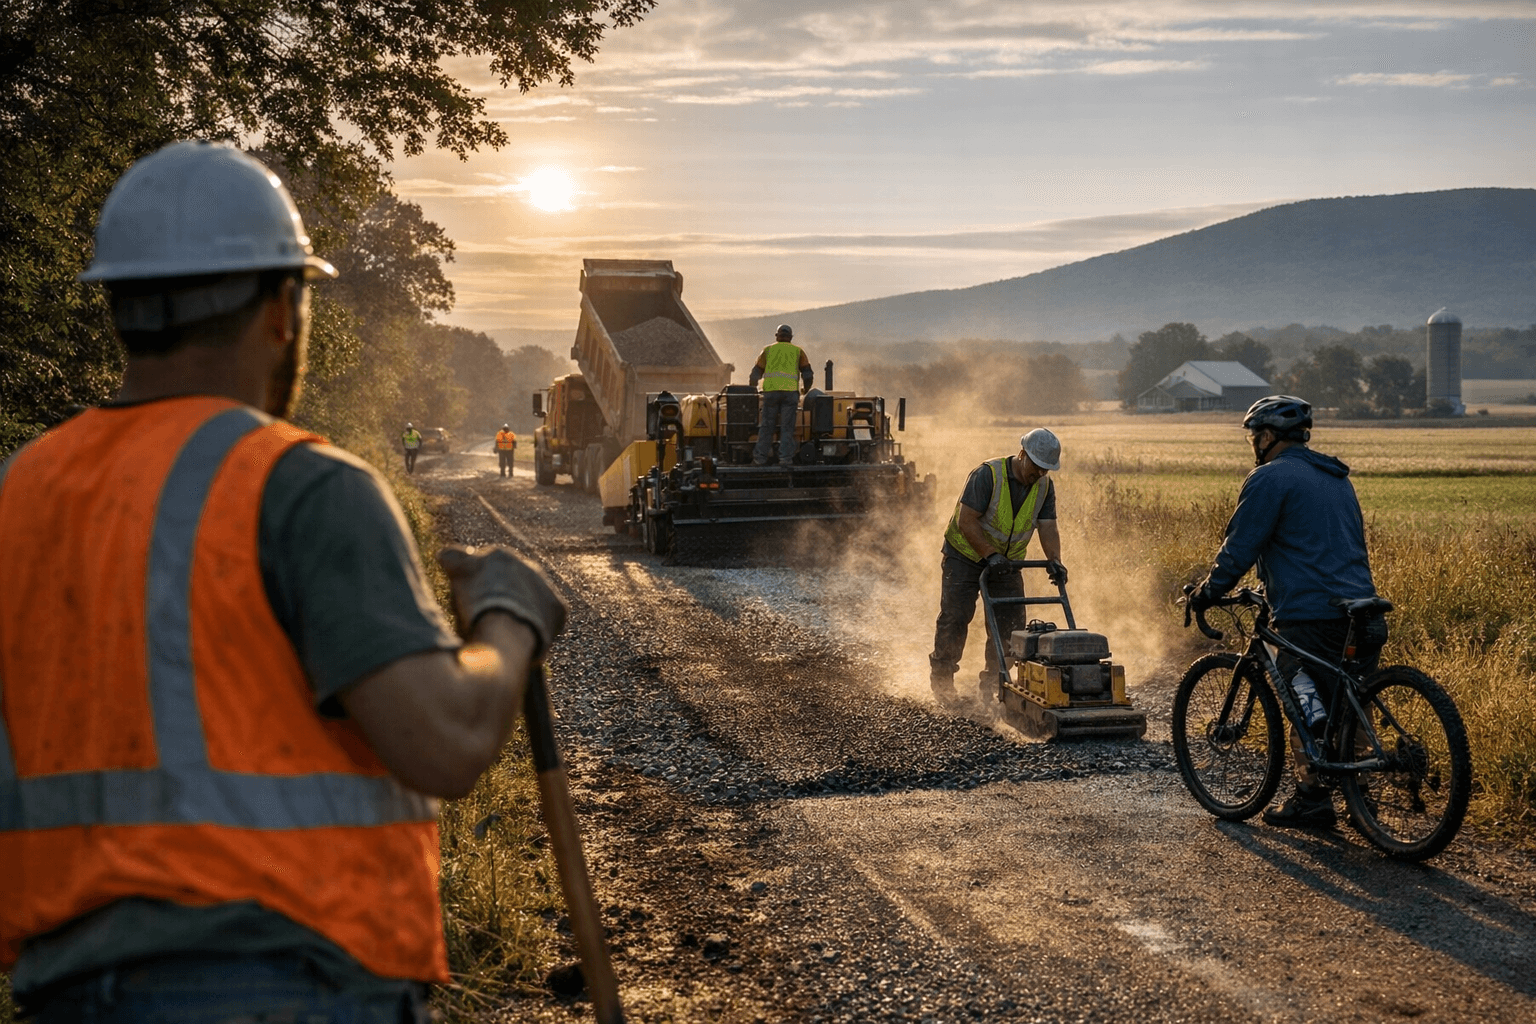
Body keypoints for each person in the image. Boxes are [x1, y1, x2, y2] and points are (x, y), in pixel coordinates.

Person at [0, 140, 568, 1023]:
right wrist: (508, 620)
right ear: (281, 309)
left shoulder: (20, 491)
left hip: (63, 991)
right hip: (287, 983)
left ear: (116, 308)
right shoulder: (301, 489)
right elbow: (447, 743)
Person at [1188, 395, 1385, 830]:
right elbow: (1317, 545)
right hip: (1362, 609)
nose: (1253, 443)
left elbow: (1240, 546)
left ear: (1268, 436)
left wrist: (1208, 592)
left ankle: (1312, 800)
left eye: (1255, 435)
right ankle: (1361, 798)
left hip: (1309, 614)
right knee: (1350, 705)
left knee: (1303, 700)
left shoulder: (1269, 478)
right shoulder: (1336, 477)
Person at [929, 428, 1068, 710]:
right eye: (1037, 467)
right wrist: (989, 555)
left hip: (1007, 562)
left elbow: (1048, 526)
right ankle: (942, 682)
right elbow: (967, 521)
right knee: (956, 616)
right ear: (1022, 455)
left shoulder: (1044, 486)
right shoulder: (987, 475)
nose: (1040, 474)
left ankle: (995, 687)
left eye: (1045, 469)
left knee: (1010, 626)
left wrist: (1055, 560)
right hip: (965, 555)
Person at [749, 323, 812, 466]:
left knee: (766, 426)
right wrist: (805, 390)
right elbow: (807, 375)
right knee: (787, 427)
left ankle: (760, 458)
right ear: (791, 337)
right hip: (790, 394)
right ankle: (785, 459)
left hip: (770, 394)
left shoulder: (768, 350)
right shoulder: (798, 351)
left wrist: (753, 390)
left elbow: (755, 374)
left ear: (777, 336)